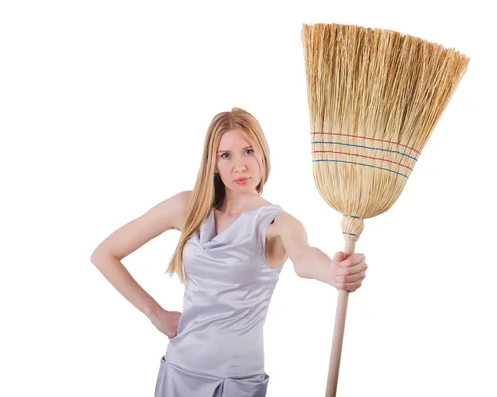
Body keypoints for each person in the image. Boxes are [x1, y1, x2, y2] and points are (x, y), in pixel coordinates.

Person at [90, 107, 368, 396]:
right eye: (226, 155)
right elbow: (105, 254)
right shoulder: (187, 208)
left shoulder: (278, 224)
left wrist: (334, 272)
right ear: (213, 163)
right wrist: (155, 313)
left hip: (235, 385)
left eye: (248, 151)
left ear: (263, 155)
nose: (240, 166)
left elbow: (305, 257)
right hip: (178, 373)